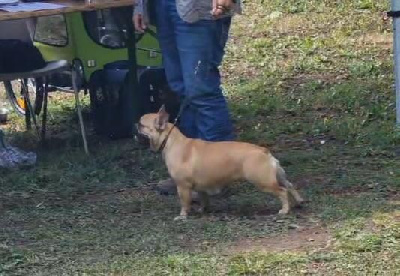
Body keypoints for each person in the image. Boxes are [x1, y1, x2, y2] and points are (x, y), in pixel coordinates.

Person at [133, 0, 242, 195]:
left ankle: (217, 175)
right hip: (163, 6)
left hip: (200, 8)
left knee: (201, 91)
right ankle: (191, 175)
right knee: (181, 88)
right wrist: (139, 6)